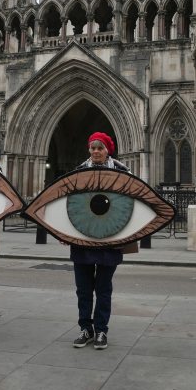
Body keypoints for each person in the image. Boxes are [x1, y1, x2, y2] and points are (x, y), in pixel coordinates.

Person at [70, 131, 129, 351]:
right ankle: (86, 329)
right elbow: (70, 205)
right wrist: (64, 232)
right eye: (93, 148)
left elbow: (130, 204)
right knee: (83, 289)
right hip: (82, 238)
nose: (96, 151)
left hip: (110, 239)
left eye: (100, 148)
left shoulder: (122, 172)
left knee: (103, 289)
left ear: (107, 150)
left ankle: (101, 330)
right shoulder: (78, 172)